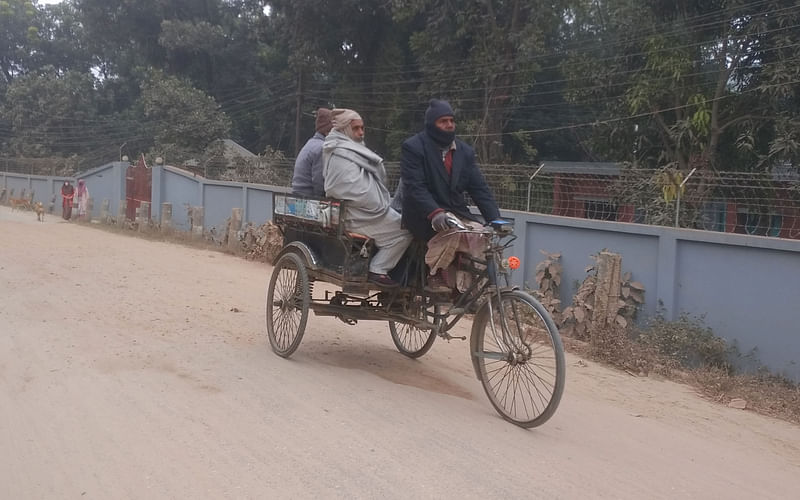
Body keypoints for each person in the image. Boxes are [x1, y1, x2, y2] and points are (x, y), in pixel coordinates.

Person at [400, 99, 502, 291]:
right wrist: (435, 212)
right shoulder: (414, 147)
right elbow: (415, 187)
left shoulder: (465, 152)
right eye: (443, 121)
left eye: (451, 120)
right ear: (432, 124)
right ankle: (435, 273)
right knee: (452, 232)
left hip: (455, 211)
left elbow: (479, 188)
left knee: (480, 233)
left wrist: (495, 219)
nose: (449, 125)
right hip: (422, 214)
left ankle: (465, 287)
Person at [323, 108, 412, 287]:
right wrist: (379, 202)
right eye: (356, 128)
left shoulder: (350, 149)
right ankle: (378, 268)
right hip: (356, 215)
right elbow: (350, 189)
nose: (361, 132)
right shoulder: (339, 152)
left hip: (366, 211)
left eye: (362, 128)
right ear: (345, 130)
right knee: (406, 231)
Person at [292, 108, 333, 197]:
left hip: (298, 195)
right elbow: (319, 182)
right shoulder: (321, 148)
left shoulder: (311, 143)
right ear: (327, 132)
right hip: (308, 198)